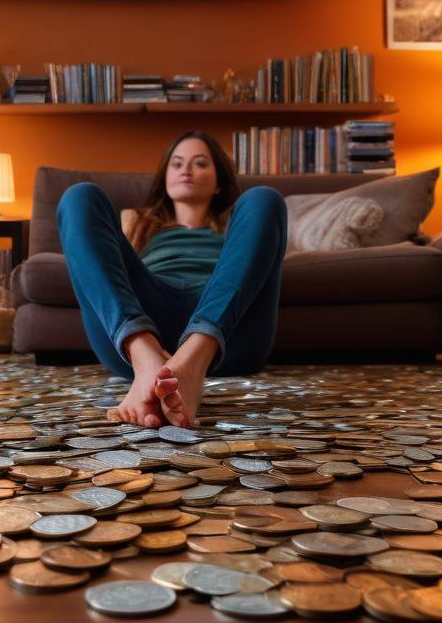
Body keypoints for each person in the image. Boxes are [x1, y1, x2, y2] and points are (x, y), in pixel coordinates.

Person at [55, 131, 287, 429]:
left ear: (219, 183)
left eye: (200, 163)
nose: (186, 170)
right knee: (79, 196)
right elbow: (104, 264)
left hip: (226, 324)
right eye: (176, 164)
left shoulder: (237, 226)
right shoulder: (138, 223)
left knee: (263, 197)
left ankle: (193, 361)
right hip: (146, 316)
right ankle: (144, 357)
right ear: (165, 178)